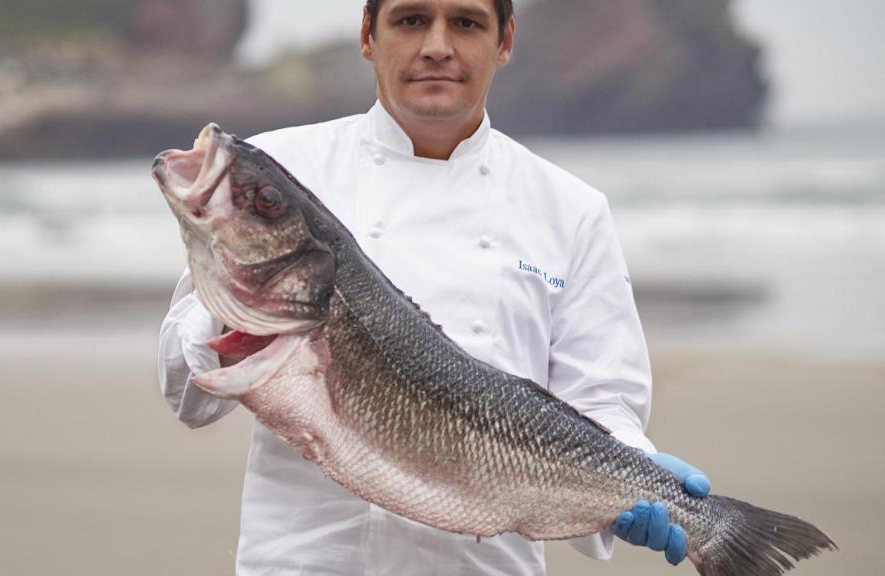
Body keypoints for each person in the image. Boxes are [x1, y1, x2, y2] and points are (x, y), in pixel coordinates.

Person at [158, 0, 710, 574]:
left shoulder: (571, 211)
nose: (437, 47)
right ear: (368, 35)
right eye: (411, 20)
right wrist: (245, 306)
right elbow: (184, 392)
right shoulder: (282, 171)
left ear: (505, 41)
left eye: (466, 23)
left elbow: (602, 399)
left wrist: (639, 476)